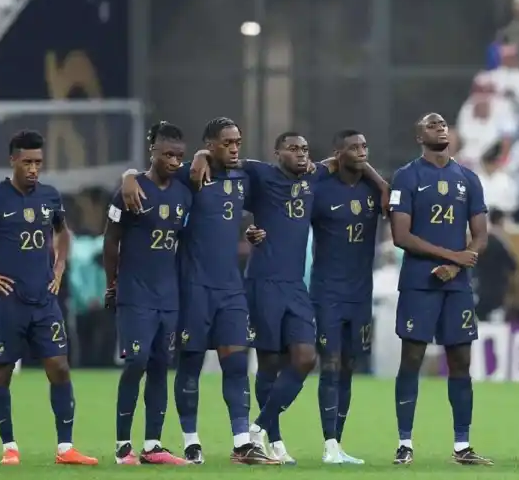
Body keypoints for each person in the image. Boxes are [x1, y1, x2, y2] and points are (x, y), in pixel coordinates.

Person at [189, 130, 387, 464]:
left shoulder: (313, 175)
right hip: (264, 281)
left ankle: (258, 428)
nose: (301, 154)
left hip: (295, 285)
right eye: (293, 149)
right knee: (269, 363)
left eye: (305, 149)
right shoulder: (260, 173)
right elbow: (224, 168)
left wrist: (381, 185)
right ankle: (276, 442)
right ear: (277, 153)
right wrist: (199, 156)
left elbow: (347, 158)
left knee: (305, 358)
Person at [119, 118, 274, 465]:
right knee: (190, 366)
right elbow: (151, 174)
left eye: (237, 142)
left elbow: (246, 213)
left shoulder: (243, 178)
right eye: (226, 143)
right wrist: (128, 176)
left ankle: (242, 443)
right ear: (209, 145)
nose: (234, 148)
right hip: (193, 287)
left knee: (237, 364)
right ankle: (191, 440)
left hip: (231, 288)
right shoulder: (188, 175)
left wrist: (254, 231)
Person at [0, 130, 97, 466]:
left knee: (59, 367)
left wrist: (60, 265)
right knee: (2, 370)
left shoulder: (50, 196)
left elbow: (62, 231)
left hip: (44, 301)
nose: (33, 168)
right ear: (12, 160)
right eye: (27, 162)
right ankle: (9, 447)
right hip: (8, 300)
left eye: (38, 162)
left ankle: (65, 448)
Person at [388, 112, 491, 465]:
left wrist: (458, 264)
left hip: (457, 284)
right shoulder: (406, 176)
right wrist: (452, 256)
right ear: (420, 137)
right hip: (419, 282)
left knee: (460, 361)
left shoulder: (468, 178)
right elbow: (401, 236)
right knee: (412, 359)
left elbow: (481, 235)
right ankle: (405, 443)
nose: (440, 128)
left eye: (443, 124)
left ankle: (462, 445)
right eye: (431, 125)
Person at [103, 122, 193, 465]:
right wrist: (111, 283)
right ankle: (122, 446)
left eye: (179, 156)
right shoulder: (130, 191)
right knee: (136, 362)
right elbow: (111, 239)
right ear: (152, 151)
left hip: (168, 296)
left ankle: (153, 445)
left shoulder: (184, 192)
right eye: (167, 154)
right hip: (135, 293)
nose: (174, 161)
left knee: (159, 366)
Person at [310, 130, 380, 464]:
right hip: (328, 292)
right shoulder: (321, 189)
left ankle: (337, 443)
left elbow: (391, 198)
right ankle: (328, 444)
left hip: (360, 293)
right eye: (353, 148)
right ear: (338, 154)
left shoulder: (372, 189)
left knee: (350, 367)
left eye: (364, 146)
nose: (362, 151)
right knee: (330, 363)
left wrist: (374, 176)